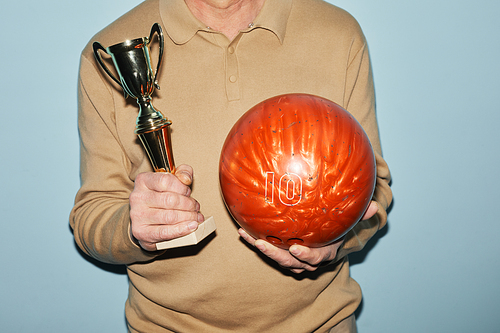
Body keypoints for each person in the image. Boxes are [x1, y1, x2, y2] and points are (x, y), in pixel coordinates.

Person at [70, 0, 392, 331]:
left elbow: (374, 188)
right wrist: (135, 229)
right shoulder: (114, 51)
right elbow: (92, 212)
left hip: (321, 324)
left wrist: (340, 240)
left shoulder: (338, 33)